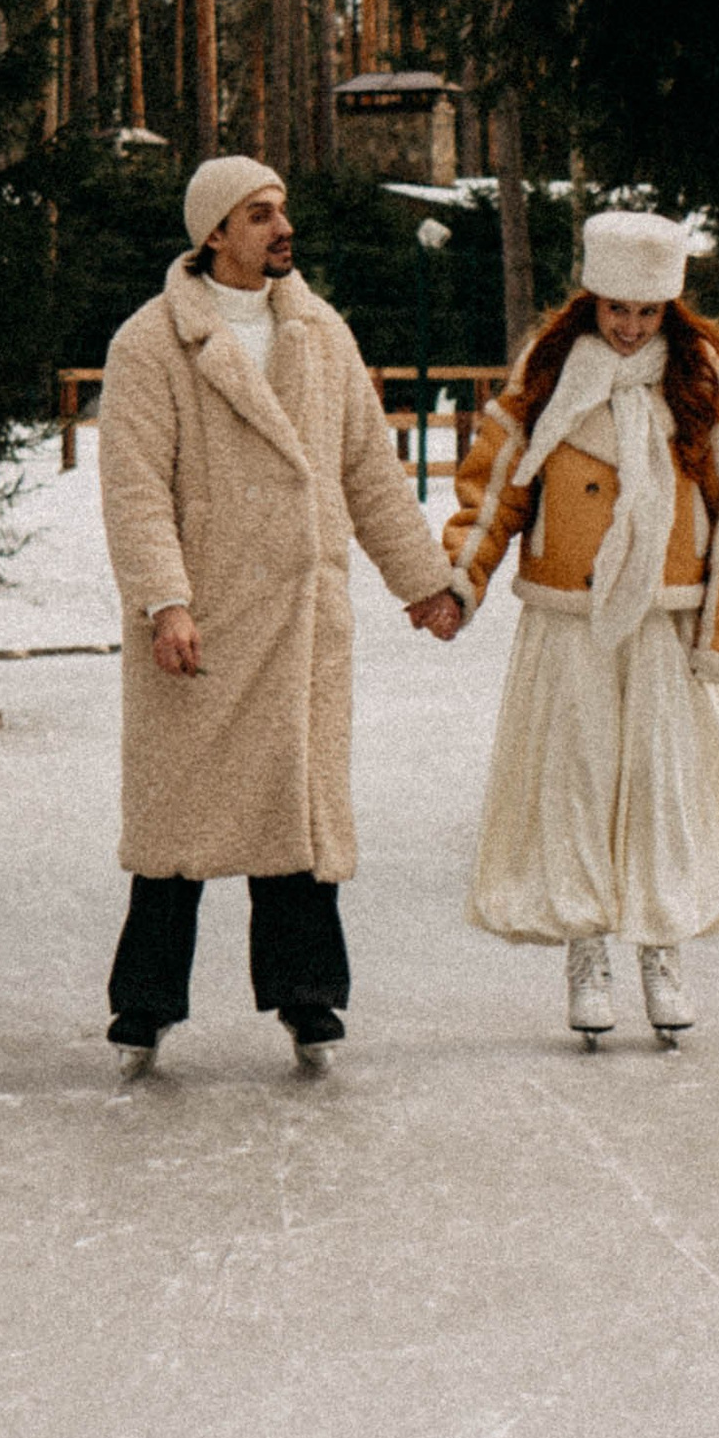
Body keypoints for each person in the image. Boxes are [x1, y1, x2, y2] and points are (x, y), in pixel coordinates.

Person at [96, 155, 461, 1082]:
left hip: (300, 617)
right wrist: (165, 601)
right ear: (214, 232)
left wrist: (423, 583)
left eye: (281, 210)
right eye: (259, 214)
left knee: (292, 814)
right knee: (180, 820)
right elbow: (135, 490)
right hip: (203, 625)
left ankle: (309, 997)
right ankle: (145, 1001)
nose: (279, 227)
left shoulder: (320, 332)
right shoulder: (152, 344)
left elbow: (368, 474)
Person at [444, 209, 719, 1042]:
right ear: (590, 299)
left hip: (664, 619)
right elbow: (496, 489)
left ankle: (660, 948)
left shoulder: (703, 379)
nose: (628, 328)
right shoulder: (548, 372)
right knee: (579, 780)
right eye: (615, 308)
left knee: (661, 787)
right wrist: (460, 578)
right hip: (572, 616)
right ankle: (586, 947)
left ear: (671, 308)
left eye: (647, 311)